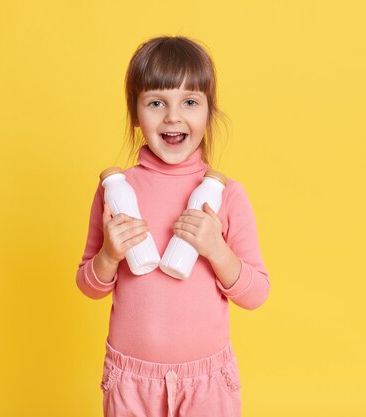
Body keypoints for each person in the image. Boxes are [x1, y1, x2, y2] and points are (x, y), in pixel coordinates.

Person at [76, 36, 270, 417]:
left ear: (209, 113)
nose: (173, 116)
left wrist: (217, 250)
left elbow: (257, 293)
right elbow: (87, 284)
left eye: (190, 102)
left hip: (206, 381)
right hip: (131, 380)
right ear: (134, 112)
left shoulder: (226, 195)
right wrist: (109, 255)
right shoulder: (116, 192)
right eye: (156, 103)